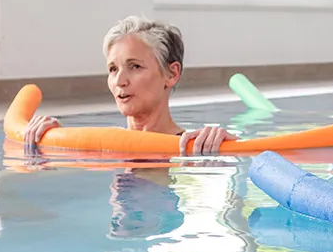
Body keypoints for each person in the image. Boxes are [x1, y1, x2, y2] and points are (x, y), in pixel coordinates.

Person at [20, 16, 236, 155]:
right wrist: (45, 146)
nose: (119, 81)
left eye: (134, 66)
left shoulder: (193, 147)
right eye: (113, 69)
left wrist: (223, 148)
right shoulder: (102, 145)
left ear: (171, 74)